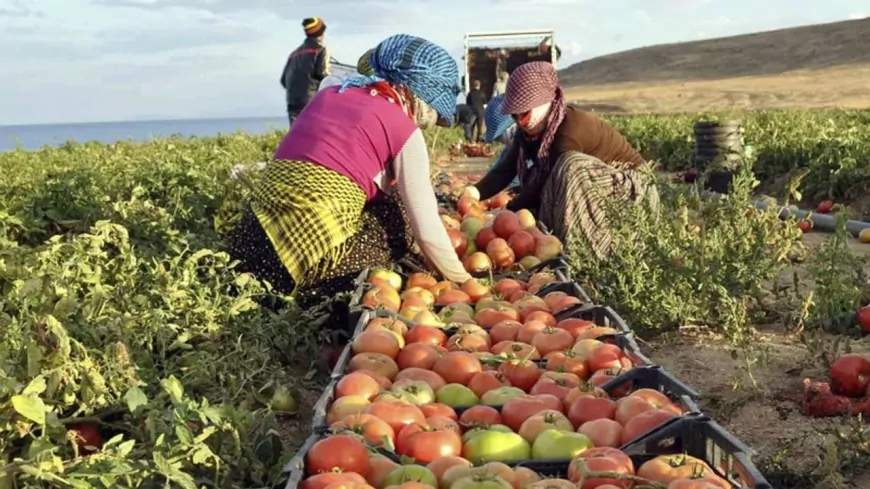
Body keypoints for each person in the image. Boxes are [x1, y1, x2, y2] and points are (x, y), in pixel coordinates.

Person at [228, 34, 472, 309]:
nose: (429, 122)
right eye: (433, 112)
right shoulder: (402, 128)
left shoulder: (328, 96)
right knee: (399, 215)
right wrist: (465, 284)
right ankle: (322, 295)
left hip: (250, 248)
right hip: (308, 264)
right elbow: (425, 227)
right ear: (419, 93)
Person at [462, 61, 658, 257]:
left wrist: (507, 211)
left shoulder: (571, 128)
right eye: (514, 113)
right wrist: (472, 193)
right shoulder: (529, 132)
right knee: (543, 176)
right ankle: (551, 240)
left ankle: (589, 251)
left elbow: (547, 180)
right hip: (596, 187)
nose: (518, 117)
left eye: (525, 110)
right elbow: (504, 171)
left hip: (629, 190)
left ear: (548, 100)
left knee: (569, 165)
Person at [280, 17, 330, 126]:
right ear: (320, 33)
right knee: (314, 136)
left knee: (297, 137)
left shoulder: (294, 54)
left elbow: (284, 81)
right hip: (311, 102)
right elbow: (324, 75)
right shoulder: (320, 50)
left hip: (292, 103)